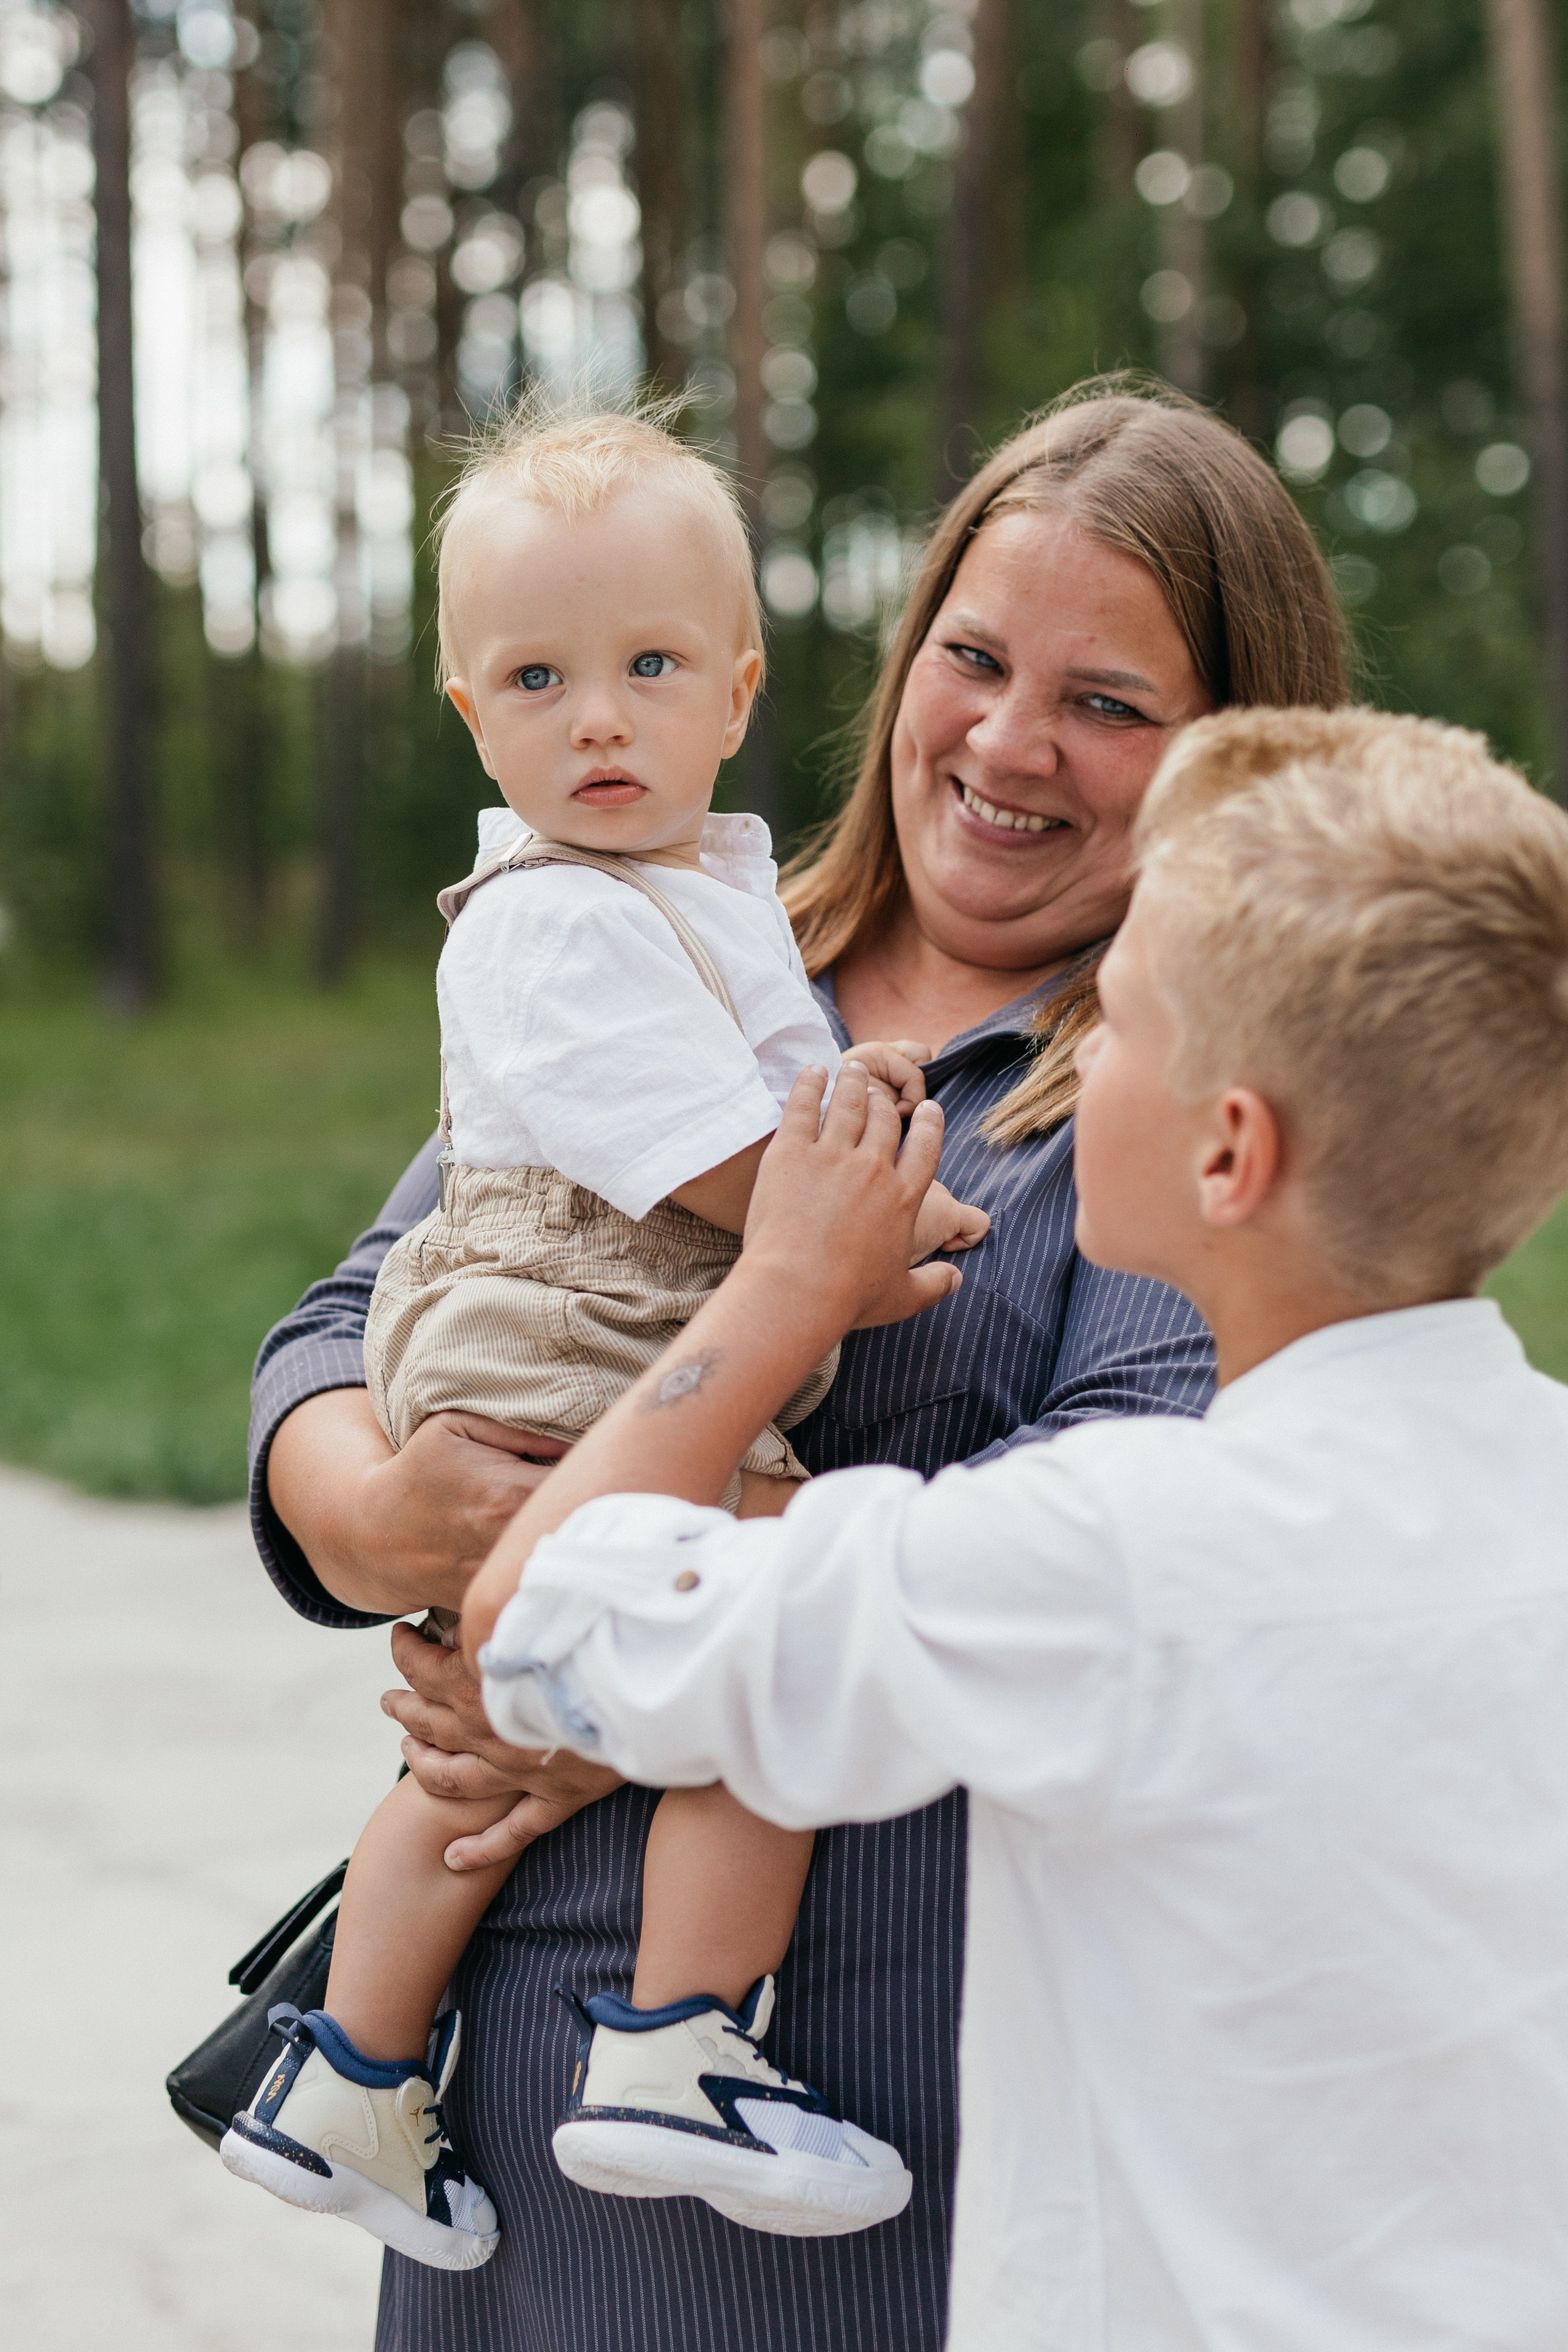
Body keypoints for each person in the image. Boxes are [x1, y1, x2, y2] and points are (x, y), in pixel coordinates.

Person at [248, 380, 1348, 2349]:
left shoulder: (1188, 1099)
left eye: (1110, 704)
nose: (1012, 744)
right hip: (507, 2110)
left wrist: (633, 1655)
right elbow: (355, 1320)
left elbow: (1115, 1559)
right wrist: (392, 1516)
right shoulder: (666, 952)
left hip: (868, 2112)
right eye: (977, 659)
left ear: (1232, 763)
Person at [467, 706, 1568, 2352]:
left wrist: (778, 1286)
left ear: (1229, 1150)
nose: (1074, 1053)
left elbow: (542, 1623)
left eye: (1111, 1020)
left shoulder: (1114, 1558)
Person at [223, 405, 986, 2266]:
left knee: (481, 1757)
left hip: (592, 1341)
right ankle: (672, 2047)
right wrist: (876, 1244)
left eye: (649, 669)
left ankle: (345, 2073)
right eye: (540, 678)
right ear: (467, 709)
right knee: (724, 1683)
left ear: (737, 691)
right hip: (581, 1331)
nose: (600, 721)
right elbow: (728, 1174)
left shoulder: (704, 900)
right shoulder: (564, 920)